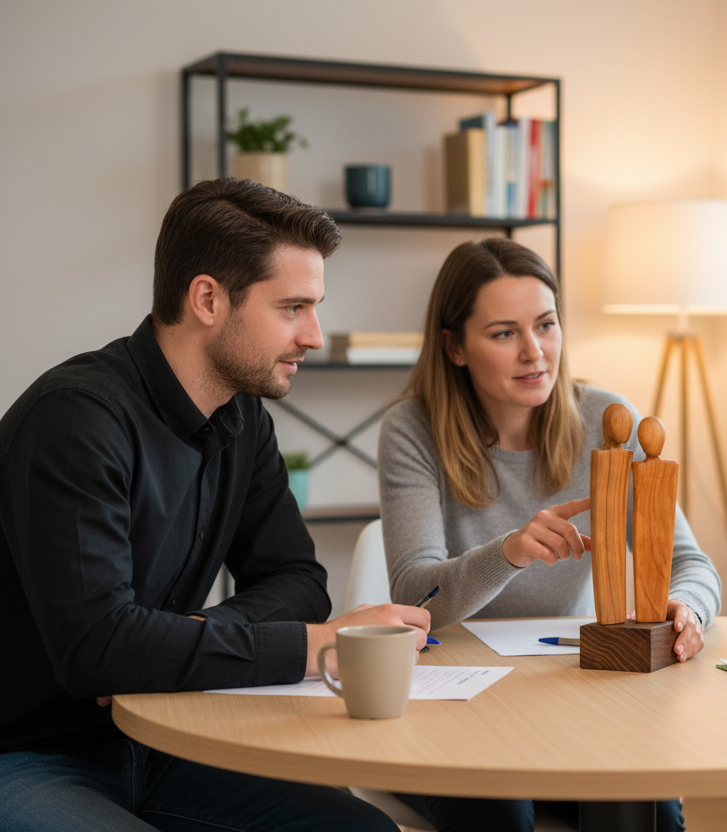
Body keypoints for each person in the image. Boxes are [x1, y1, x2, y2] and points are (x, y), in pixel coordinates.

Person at [0, 178, 430, 832]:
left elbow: (298, 581)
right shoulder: (76, 419)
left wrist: (183, 640)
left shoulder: (241, 417)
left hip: (163, 734)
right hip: (27, 753)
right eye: (293, 307)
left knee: (363, 829)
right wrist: (314, 647)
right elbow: (95, 649)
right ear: (207, 299)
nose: (314, 335)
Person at [377, 237, 722, 832]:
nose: (535, 353)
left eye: (546, 324)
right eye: (504, 333)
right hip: (455, 707)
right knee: (503, 810)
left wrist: (686, 610)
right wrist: (508, 551)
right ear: (455, 347)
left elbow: (692, 565)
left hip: (573, 698)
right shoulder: (412, 430)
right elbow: (413, 597)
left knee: (648, 809)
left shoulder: (607, 422)